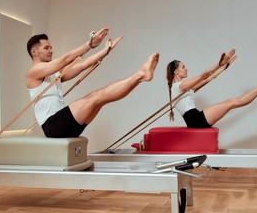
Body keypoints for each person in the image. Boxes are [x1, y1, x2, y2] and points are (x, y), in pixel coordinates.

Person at [26, 27, 159, 138]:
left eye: (51, 48)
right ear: (34, 52)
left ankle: (141, 76)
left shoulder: (53, 74)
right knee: (96, 96)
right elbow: (65, 59)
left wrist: (105, 51)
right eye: (46, 48)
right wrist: (88, 45)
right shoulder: (33, 72)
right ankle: (140, 74)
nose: (51, 51)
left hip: (64, 123)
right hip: (53, 125)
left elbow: (82, 65)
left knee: (101, 99)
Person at [166, 49, 257, 128]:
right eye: (183, 67)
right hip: (195, 120)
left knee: (232, 102)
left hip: (195, 119)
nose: (186, 69)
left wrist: (225, 65)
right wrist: (219, 63)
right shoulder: (179, 86)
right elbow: (203, 75)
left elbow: (209, 77)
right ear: (176, 71)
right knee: (232, 102)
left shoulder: (184, 88)